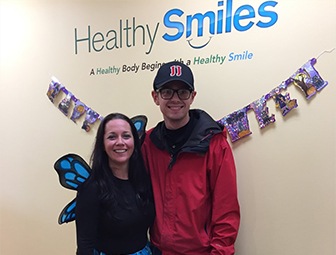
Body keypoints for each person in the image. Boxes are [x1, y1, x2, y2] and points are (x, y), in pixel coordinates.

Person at [141, 61, 240, 255]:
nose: (175, 99)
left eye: (183, 92)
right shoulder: (147, 144)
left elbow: (226, 211)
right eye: (167, 91)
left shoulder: (214, 145)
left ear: (192, 96)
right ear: (155, 97)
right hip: (157, 251)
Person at [75, 113, 155, 255]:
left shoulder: (143, 181)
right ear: (103, 145)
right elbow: (85, 244)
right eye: (112, 137)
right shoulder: (91, 188)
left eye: (126, 136)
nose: (120, 142)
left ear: (134, 142)